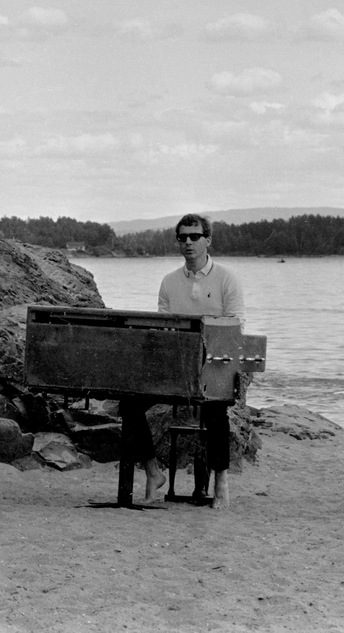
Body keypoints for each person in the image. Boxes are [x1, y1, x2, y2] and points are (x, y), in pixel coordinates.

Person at [120, 213, 245, 509]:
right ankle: (153, 472)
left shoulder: (227, 279)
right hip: (174, 368)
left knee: (216, 413)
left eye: (194, 237)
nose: (188, 242)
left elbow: (236, 326)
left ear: (208, 241)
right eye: (182, 237)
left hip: (213, 366)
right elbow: (163, 330)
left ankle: (221, 482)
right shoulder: (169, 282)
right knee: (129, 403)